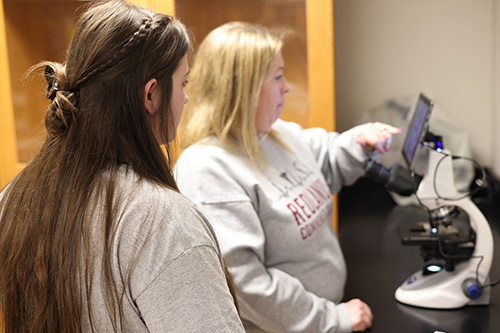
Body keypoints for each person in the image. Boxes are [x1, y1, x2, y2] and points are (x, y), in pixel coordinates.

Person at [0, 1, 244, 332]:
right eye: (183, 83)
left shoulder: (13, 197)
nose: (186, 98)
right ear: (151, 95)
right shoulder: (162, 222)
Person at [175, 21, 401, 332]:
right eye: (278, 77)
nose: (287, 87)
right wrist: (331, 319)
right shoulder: (207, 168)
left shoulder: (272, 133)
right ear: (244, 89)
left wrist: (359, 141)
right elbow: (249, 285)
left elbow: (324, 159)